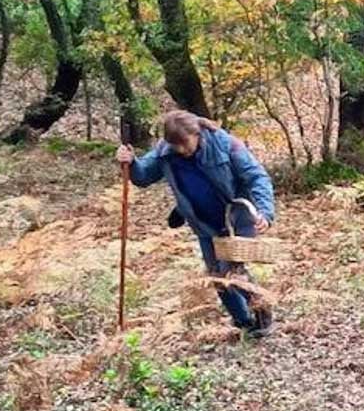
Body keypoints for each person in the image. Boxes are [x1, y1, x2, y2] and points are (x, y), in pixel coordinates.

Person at [116, 110, 276, 338]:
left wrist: (265, 212)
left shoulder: (225, 144)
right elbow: (143, 176)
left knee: (230, 273)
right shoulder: (165, 152)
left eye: (185, 144)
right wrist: (131, 162)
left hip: (237, 217)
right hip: (204, 223)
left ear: (197, 133)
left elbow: (256, 176)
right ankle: (243, 323)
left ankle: (262, 314)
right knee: (216, 277)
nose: (182, 150)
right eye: (176, 146)